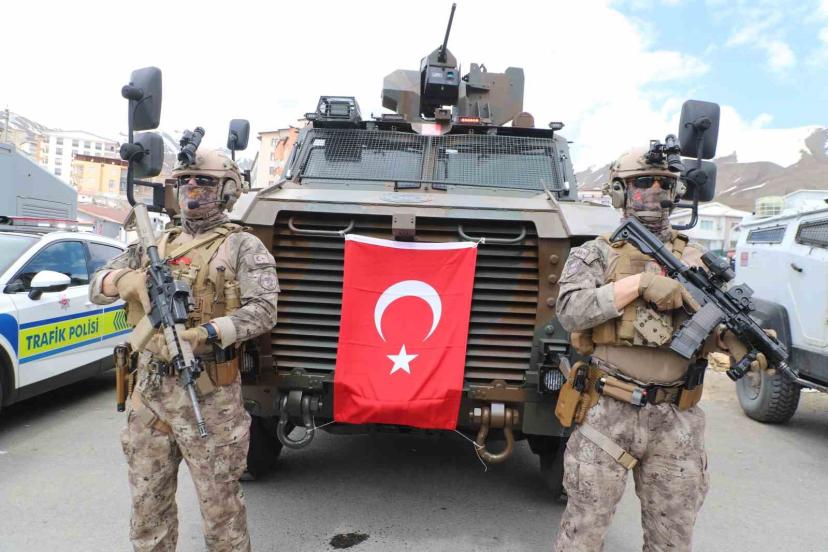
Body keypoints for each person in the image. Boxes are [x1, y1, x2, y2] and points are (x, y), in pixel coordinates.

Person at [90, 148, 279, 552]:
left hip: (210, 396)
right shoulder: (156, 243)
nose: (192, 188)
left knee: (222, 515)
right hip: (150, 395)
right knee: (148, 511)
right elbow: (97, 284)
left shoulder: (243, 246)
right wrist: (125, 281)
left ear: (227, 190)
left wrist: (205, 333)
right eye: (183, 181)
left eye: (204, 181)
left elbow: (264, 311)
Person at [552, 148, 734, 551]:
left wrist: (733, 341)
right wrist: (637, 285)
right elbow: (569, 311)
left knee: (672, 541)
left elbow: (714, 330)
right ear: (619, 191)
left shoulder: (699, 260)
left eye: (665, 183)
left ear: (677, 192)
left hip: (677, 419)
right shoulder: (595, 253)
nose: (655, 191)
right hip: (608, 411)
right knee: (583, 533)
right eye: (642, 182)